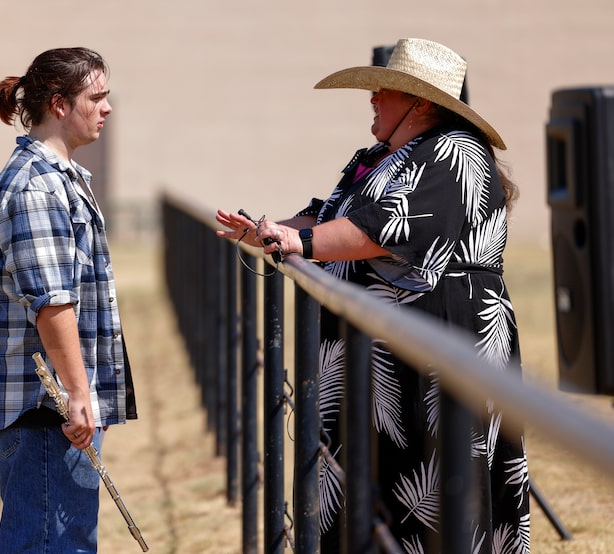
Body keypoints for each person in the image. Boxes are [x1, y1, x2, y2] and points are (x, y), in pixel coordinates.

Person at [217, 38, 529, 552]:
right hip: (390, 349)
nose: (372, 99)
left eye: (384, 90)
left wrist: (302, 242)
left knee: (435, 484)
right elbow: (333, 215)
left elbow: (384, 227)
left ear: (420, 103)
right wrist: (268, 229)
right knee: (383, 485)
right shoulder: (384, 155)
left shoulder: (457, 151)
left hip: (438, 340)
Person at [0, 47, 137, 553]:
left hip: (56, 408)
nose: (107, 107)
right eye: (97, 97)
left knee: (65, 540)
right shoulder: (36, 188)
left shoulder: (59, 178)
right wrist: (78, 394)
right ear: (59, 104)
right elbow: (51, 303)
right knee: (52, 544)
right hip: (46, 410)